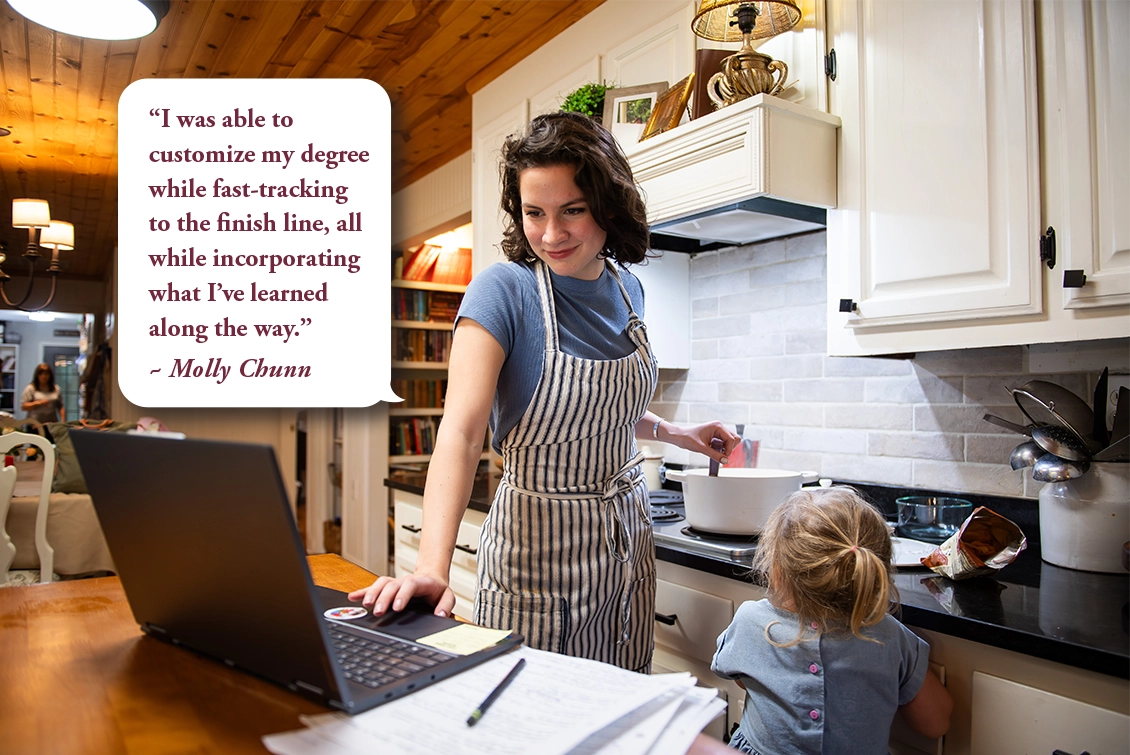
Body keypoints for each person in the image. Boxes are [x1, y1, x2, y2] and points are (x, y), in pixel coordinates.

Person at [350, 111, 739, 671]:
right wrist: (432, 567)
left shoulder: (629, 290)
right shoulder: (504, 292)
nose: (551, 235)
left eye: (572, 211)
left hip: (625, 553)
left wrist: (677, 432)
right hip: (536, 561)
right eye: (535, 213)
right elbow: (459, 434)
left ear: (607, 205)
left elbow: (601, 408)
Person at [711, 487, 953, 754]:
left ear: (777, 572)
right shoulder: (889, 636)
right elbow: (936, 724)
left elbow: (741, 679)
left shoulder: (751, 622)